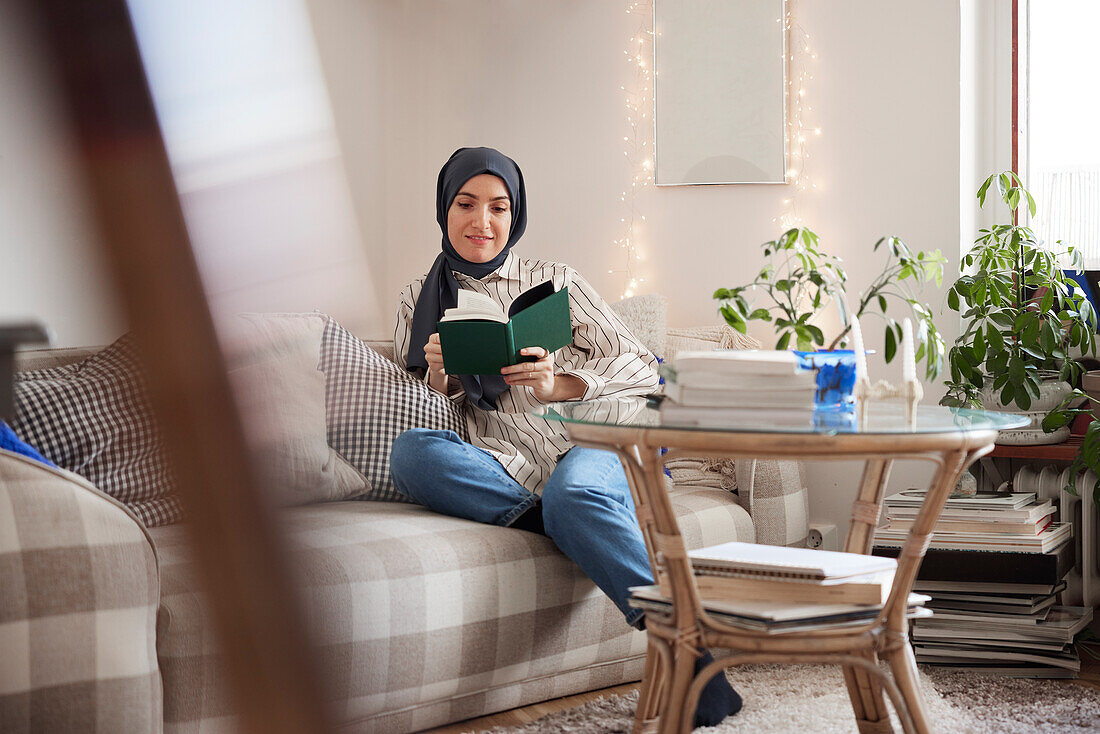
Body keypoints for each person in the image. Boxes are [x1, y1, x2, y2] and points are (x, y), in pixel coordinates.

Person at [389, 147, 742, 727]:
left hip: (594, 445)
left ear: (515, 214)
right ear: (444, 209)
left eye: (498, 207)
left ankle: (687, 653)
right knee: (411, 455)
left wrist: (561, 384)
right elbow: (434, 409)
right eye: (466, 204)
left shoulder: (555, 281)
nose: (483, 222)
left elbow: (640, 365)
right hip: (506, 465)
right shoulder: (417, 299)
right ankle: (556, 514)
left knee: (576, 492)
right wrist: (438, 378)